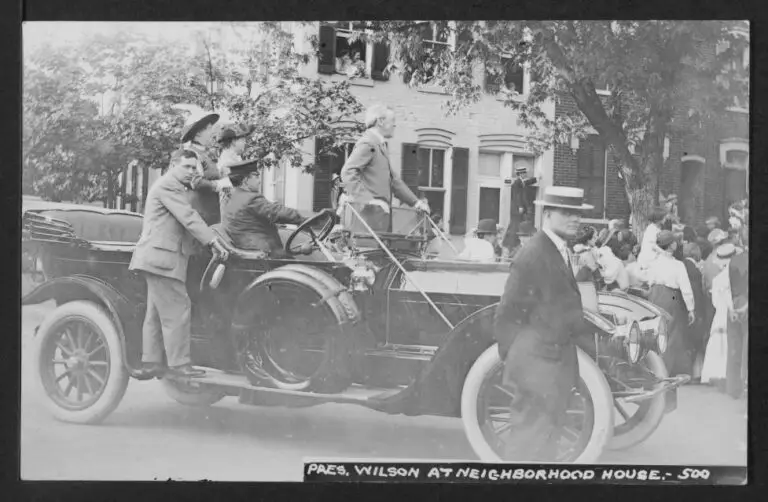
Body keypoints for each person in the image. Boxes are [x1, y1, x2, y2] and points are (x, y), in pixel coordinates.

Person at [493, 186, 594, 462]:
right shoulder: (535, 253)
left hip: (552, 367)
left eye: (578, 213)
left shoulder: (556, 249)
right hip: (537, 369)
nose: (575, 219)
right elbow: (507, 313)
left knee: (545, 447)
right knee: (527, 448)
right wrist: (519, 361)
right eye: (567, 213)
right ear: (547, 214)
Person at [130, 149, 230, 379]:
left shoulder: (174, 186)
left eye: (195, 168)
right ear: (172, 165)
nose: (192, 171)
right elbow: (188, 217)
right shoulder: (169, 185)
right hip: (161, 258)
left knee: (155, 314)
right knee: (178, 309)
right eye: (187, 166)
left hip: (157, 257)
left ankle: (151, 362)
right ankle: (179, 364)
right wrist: (213, 240)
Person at [341, 104, 429, 232]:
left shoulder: (379, 145)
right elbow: (348, 172)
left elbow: (394, 181)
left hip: (379, 218)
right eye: (392, 120)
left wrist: (416, 203)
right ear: (380, 121)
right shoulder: (368, 143)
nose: (395, 125)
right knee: (371, 251)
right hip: (368, 219)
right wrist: (369, 201)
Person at [220, 159, 316, 258]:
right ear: (245, 180)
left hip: (247, 248)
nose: (259, 181)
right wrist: (313, 217)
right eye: (256, 176)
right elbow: (278, 213)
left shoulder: (231, 196)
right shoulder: (250, 198)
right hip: (264, 254)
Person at [643, 230, 696, 377]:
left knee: (656, 332)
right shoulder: (678, 265)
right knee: (670, 334)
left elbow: (648, 281)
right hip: (670, 297)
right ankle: (666, 370)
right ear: (672, 245)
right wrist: (691, 308)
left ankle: (655, 368)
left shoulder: (653, 262)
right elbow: (686, 289)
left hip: (654, 295)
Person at [171, 111, 224, 226]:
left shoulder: (208, 154)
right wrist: (220, 185)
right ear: (199, 132)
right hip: (197, 217)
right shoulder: (190, 154)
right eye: (209, 129)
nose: (213, 132)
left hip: (212, 217)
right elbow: (195, 181)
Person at [701, 243, 738, 390]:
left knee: (718, 346)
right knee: (732, 345)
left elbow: (715, 302)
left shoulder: (718, 279)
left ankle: (718, 375)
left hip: (720, 315)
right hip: (732, 314)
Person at [727, 225, 748, 399]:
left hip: (734, 303)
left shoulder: (734, 260)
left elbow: (728, 286)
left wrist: (732, 308)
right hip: (746, 303)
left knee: (735, 347)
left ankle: (733, 387)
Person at [682, 242, 706, 382]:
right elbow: (697, 293)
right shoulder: (694, 271)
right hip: (694, 308)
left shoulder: (682, 265)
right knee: (695, 341)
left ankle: (688, 372)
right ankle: (693, 373)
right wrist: (698, 311)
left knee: (687, 340)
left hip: (683, 309)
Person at [216, 123, 255, 206]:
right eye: (243, 140)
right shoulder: (228, 163)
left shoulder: (234, 158)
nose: (245, 143)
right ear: (233, 141)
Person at [501, 165, 538, 251]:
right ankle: (510, 244)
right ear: (521, 174)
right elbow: (516, 196)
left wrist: (536, 178)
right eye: (524, 173)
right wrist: (520, 206)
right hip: (517, 210)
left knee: (516, 226)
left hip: (517, 210)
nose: (525, 175)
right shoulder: (516, 183)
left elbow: (527, 182)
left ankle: (511, 243)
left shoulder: (520, 182)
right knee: (515, 226)